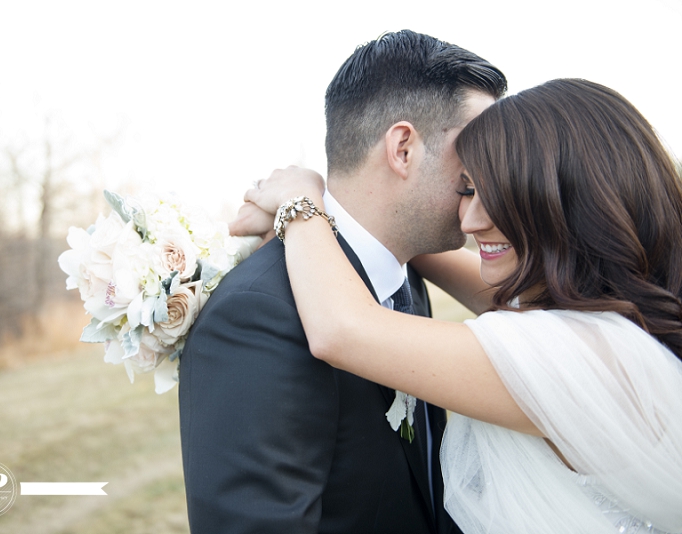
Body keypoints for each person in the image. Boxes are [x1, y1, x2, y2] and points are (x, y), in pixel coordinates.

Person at [238, 78, 682, 533]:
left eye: (496, 194)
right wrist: (345, 209)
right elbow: (414, 244)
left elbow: (343, 329)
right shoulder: (613, 317)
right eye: (467, 190)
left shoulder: (586, 356)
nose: (469, 221)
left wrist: (301, 201)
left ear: (568, 199)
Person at [178, 30, 506, 533]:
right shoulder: (258, 314)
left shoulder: (406, 276)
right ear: (403, 149)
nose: (489, 181)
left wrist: (303, 208)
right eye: (476, 157)